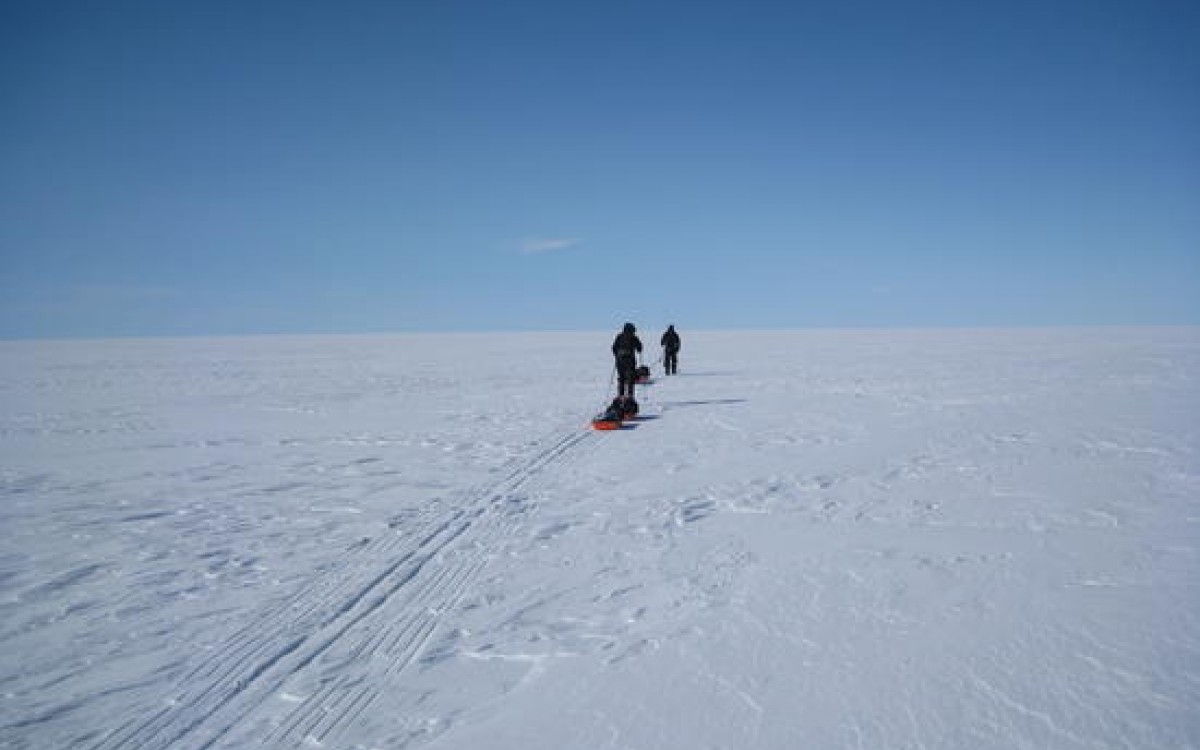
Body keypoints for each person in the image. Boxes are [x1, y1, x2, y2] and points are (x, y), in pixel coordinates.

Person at [611, 322, 643, 400]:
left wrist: (617, 356)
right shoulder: (633, 337)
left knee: (621, 378)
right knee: (630, 379)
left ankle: (621, 396)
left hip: (620, 361)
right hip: (630, 361)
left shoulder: (619, 336)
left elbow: (614, 348)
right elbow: (640, 348)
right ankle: (630, 396)